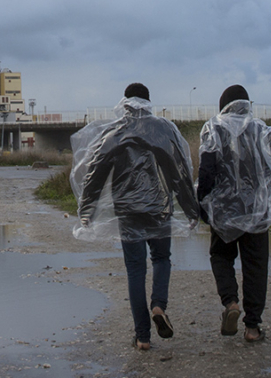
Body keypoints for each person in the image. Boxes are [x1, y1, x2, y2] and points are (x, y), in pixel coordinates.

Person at [71, 82, 202, 351]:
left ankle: (142, 337)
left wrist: (87, 211)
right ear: (148, 102)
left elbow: (96, 173)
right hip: (159, 207)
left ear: (126, 103)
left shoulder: (115, 132)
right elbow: (178, 171)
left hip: (127, 211)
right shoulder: (163, 129)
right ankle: (159, 305)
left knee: (135, 269)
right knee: (162, 258)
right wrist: (191, 209)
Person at [196, 85, 271, 343]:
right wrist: (269, 201)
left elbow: (206, 171)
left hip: (224, 211)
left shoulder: (213, 128)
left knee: (221, 256)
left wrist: (204, 203)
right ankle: (252, 327)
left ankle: (231, 302)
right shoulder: (262, 130)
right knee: (256, 266)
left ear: (223, 105)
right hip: (256, 211)